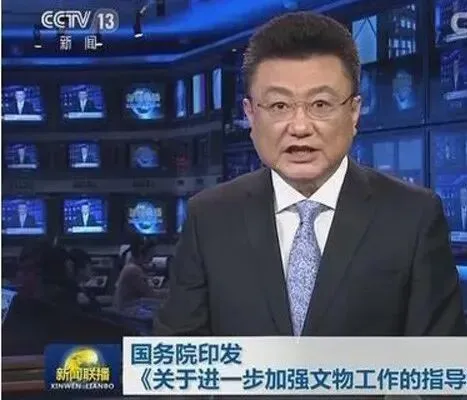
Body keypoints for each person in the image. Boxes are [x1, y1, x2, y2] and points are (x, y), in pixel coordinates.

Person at [155, 12, 466, 336]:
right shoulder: (209, 217)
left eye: (320, 104)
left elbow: (438, 359)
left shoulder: (413, 215)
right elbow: (178, 354)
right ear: (251, 115)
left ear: (354, 112)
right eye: (279, 106)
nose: (300, 127)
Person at [112, 236, 160, 311]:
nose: (152, 257)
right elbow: (150, 294)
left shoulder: (131, 267)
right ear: (141, 253)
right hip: (126, 312)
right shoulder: (133, 270)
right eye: (151, 253)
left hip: (129, 308)